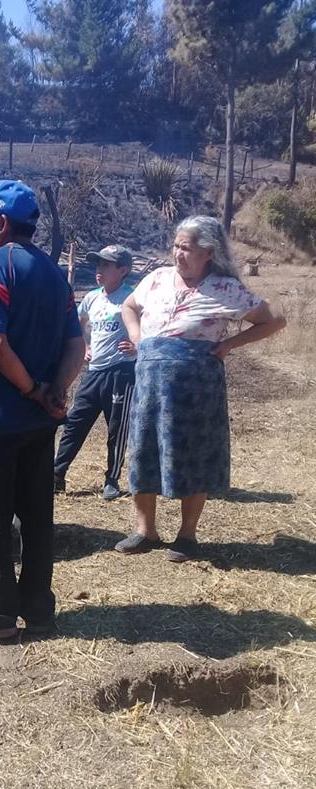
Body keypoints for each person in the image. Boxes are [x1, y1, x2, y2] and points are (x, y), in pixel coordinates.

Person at [0, 180, 85, 640]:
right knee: (36, 514)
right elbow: (76, 344)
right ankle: (39, 610)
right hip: (38, 422)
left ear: (2, 223)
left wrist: (29, 388)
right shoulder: (51, 273)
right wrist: (54, 392)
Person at [116, 215, 286, 562]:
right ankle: (145, 530)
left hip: (197, 390)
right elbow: (129, 306)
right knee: (144, 451)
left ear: (208, 252)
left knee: (194, 454)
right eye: (176, 246)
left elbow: (274, 319)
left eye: (186, 248)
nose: (178, 254)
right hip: (150, 384)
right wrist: (137, 337)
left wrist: (230, 345)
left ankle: (187, 535)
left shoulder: (225, 288)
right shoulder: (158, 278)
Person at [53, 244, 136, 500]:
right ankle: (56, 475)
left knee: (117, 428)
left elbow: (154, 325)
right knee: (75, 423)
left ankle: (111, 479)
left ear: (122, 270)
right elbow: (78, 324)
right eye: (97, 264)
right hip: (94, 371)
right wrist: (86, 346)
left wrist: (137, 345)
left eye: (105, 265)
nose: (98, 270)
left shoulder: (132, 298)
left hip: (122, 372)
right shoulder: (91, 297)